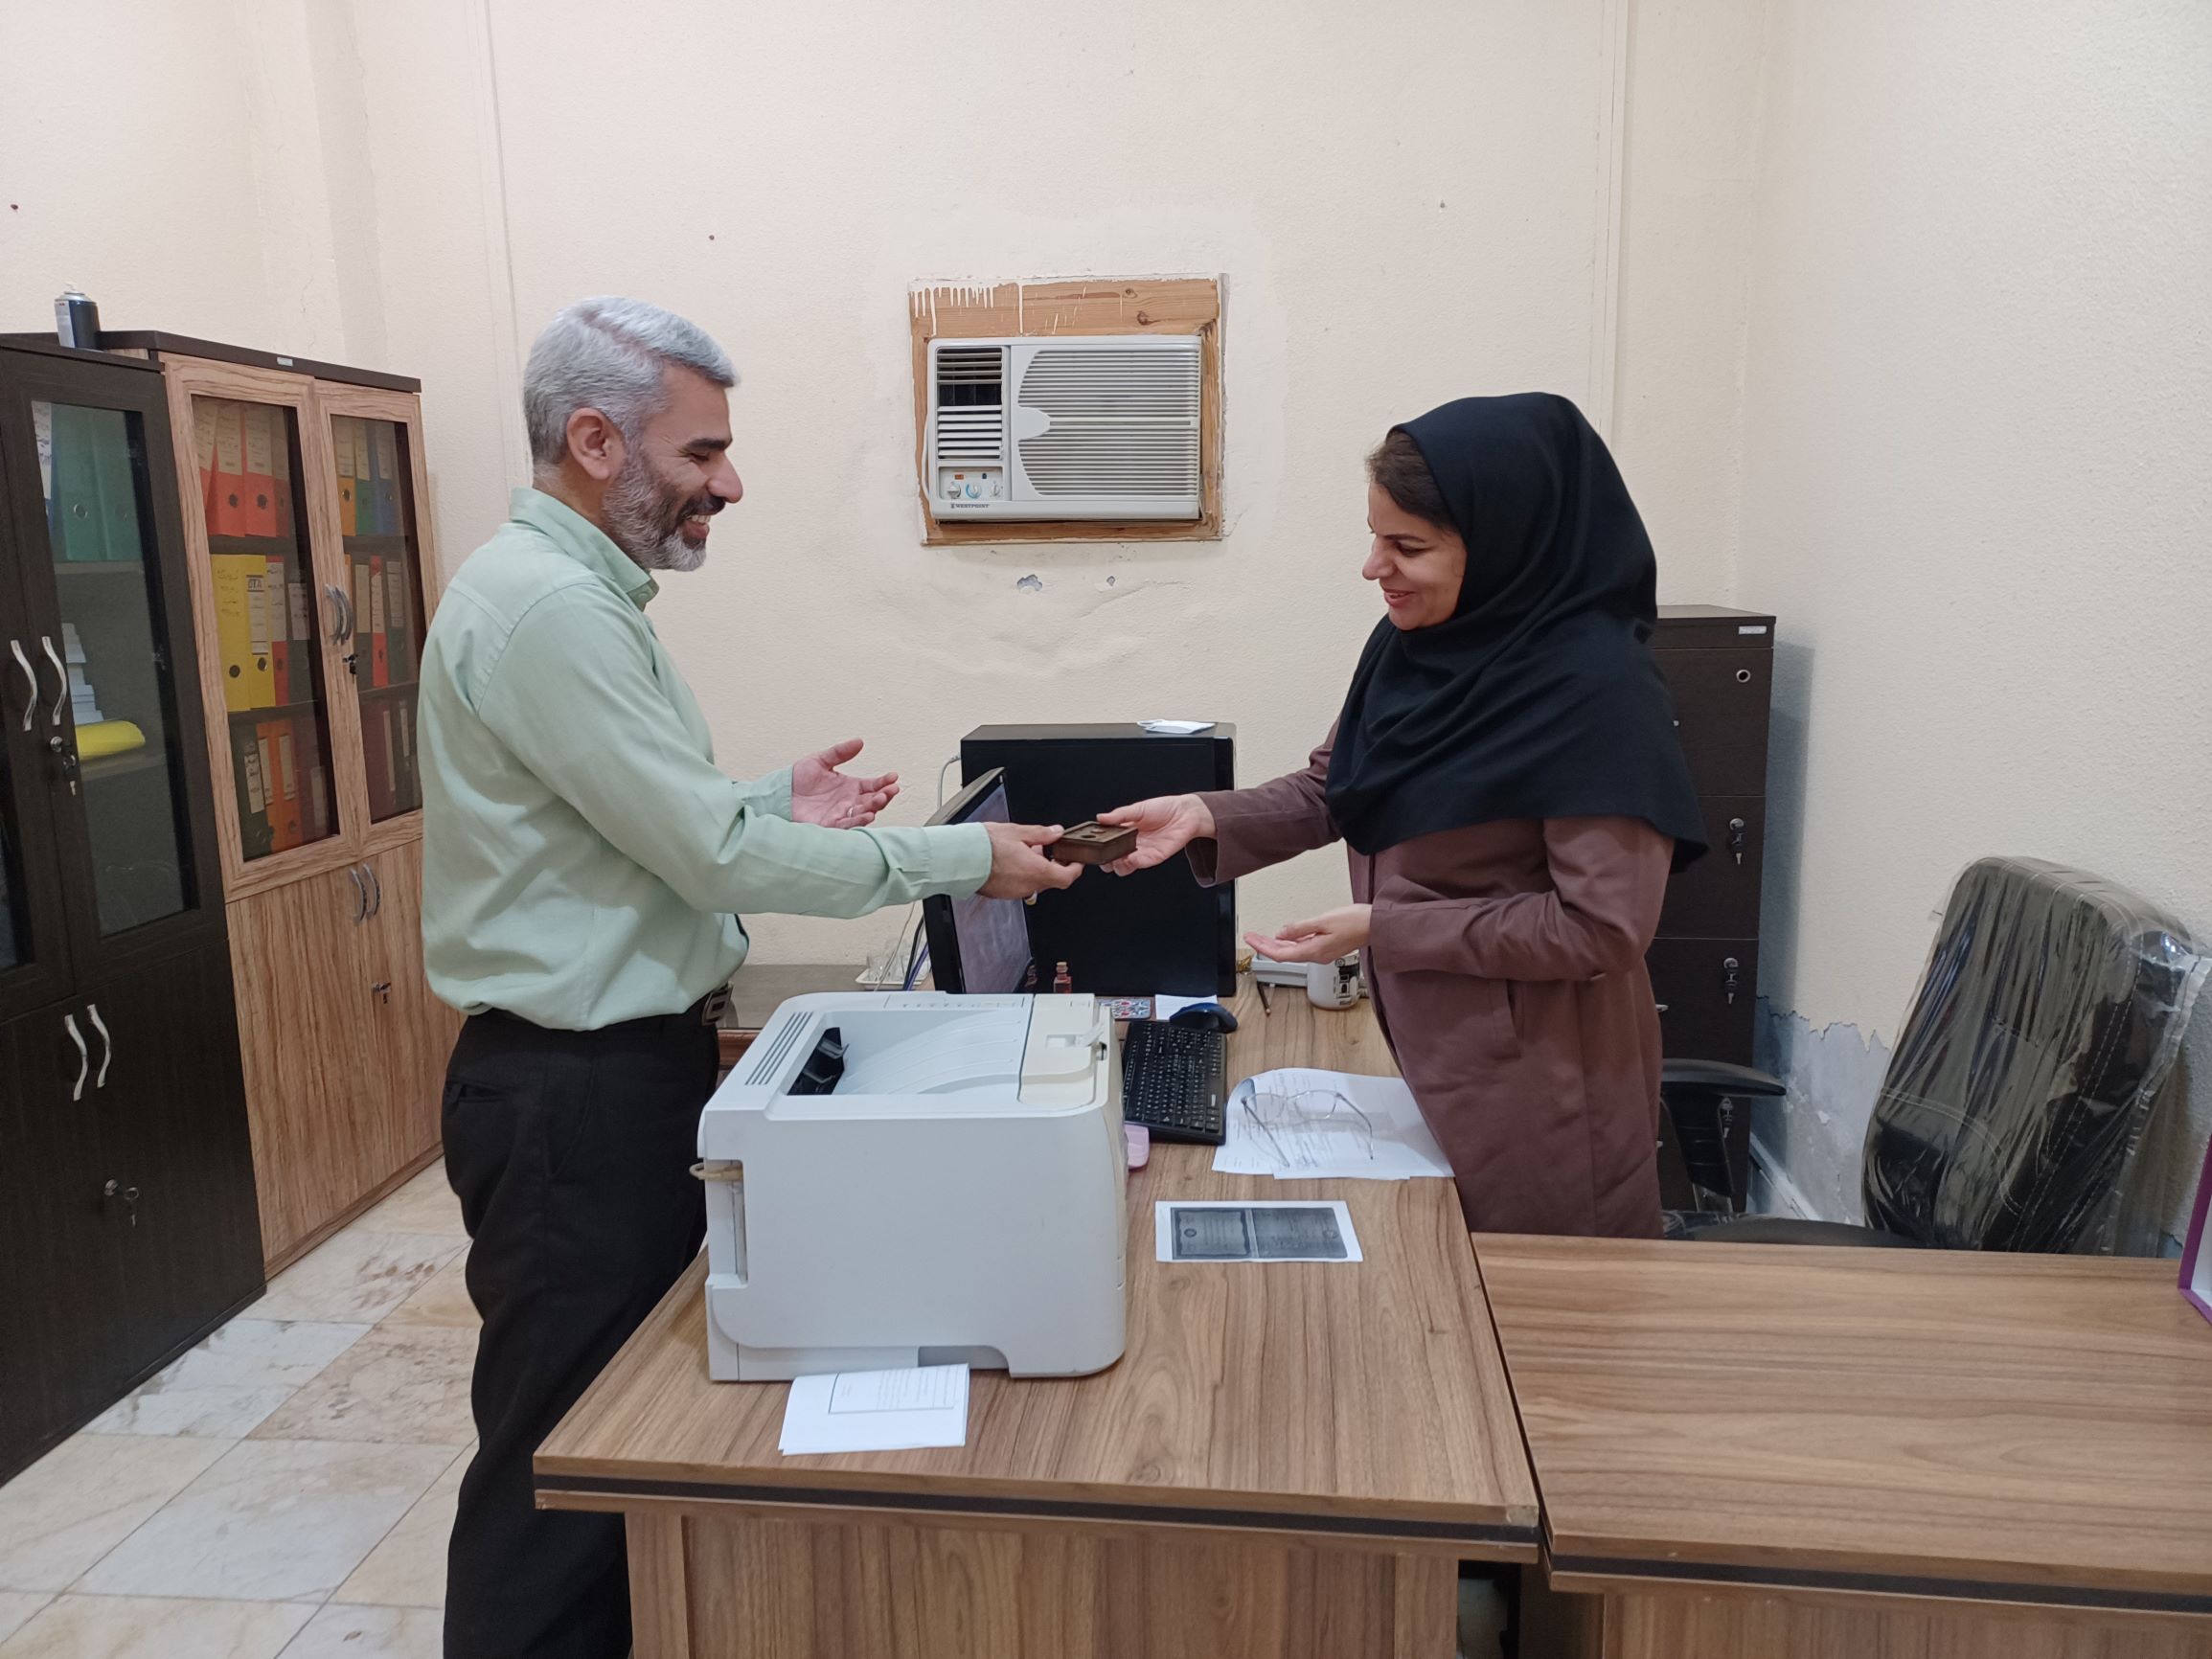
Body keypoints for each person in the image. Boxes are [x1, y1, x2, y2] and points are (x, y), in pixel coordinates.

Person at [418, 295, 1079, 1659]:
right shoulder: (551, 609)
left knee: (617, 1443)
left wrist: (772, 800)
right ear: (594, 440)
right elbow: (707, 856)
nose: (727, 484)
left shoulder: (570, 592)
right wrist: (960, 858)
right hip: (569, 1094)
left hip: (612, 1074)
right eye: (701, 452)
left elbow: (631, 821)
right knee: (556, 1474)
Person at [1102, 393, 1704, 1238]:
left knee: (1532, 1301)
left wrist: (1384, 927)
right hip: (1426, 1046)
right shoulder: (1413, 644)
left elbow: (1598, 929)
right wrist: (1203, 814)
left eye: (1408, 547)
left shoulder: (1597, 694)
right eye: (1375, 537)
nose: (1372, 568)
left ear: (1505, 544)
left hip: (1541, 1086)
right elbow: (1338, 786)